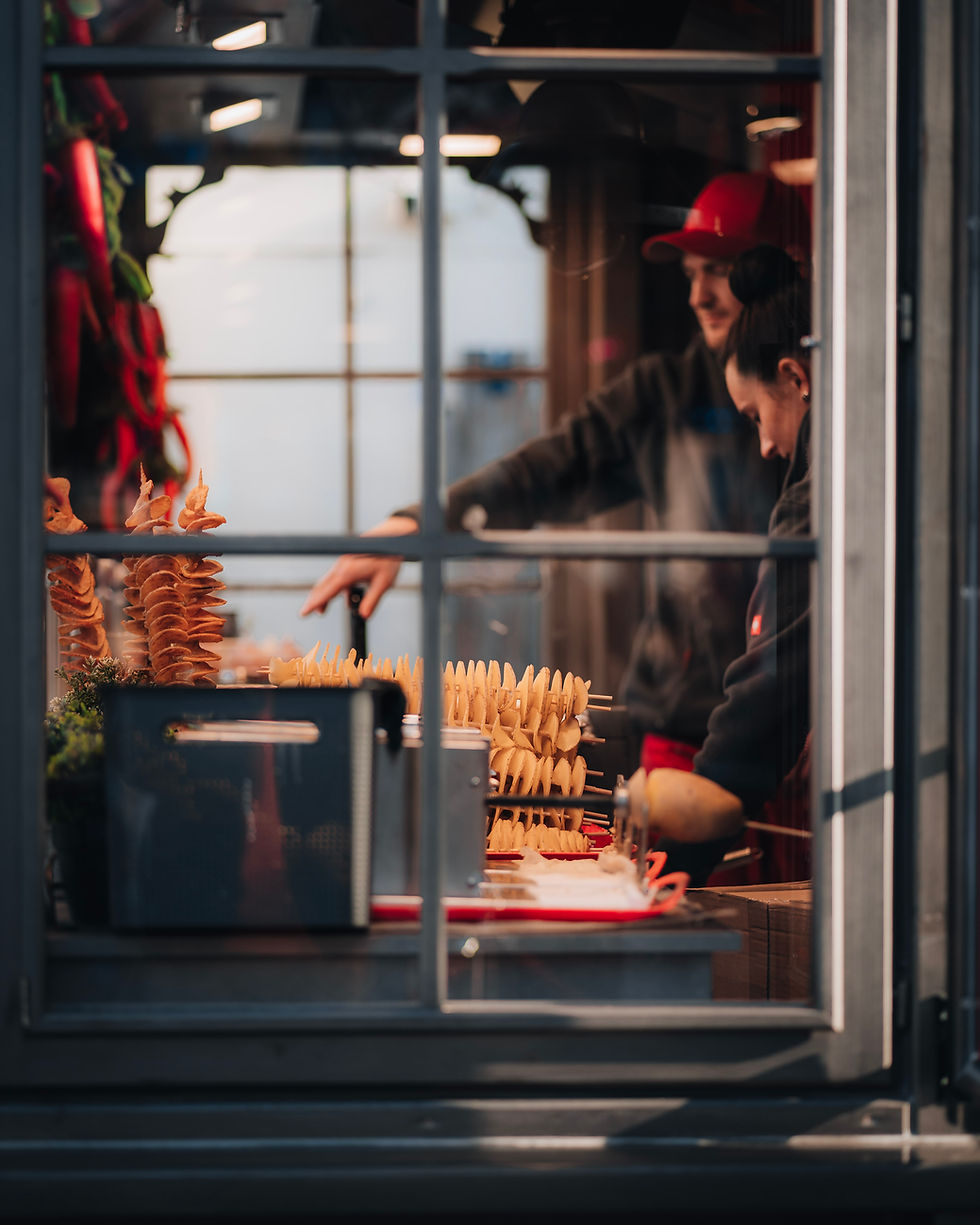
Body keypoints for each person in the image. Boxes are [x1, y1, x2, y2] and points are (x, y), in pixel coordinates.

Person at [301, 173, 811, 780]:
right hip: (683, 724)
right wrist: (416, 525)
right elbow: (545, 469)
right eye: (691, 274)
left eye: (720, 271)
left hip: (799, 721)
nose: (699, 295)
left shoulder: (833, 409)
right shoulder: (662, 393)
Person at [648, 243, 814, 885]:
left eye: (758, 416)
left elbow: (770, 683)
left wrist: (685, 853)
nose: (767, 444)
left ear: (795, 378)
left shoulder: (817, 498)